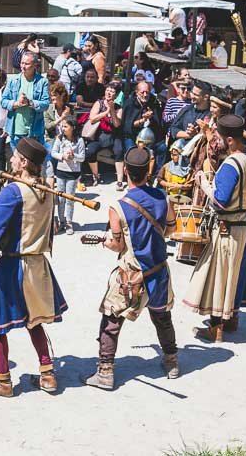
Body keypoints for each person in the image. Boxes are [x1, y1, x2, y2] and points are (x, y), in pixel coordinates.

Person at [0, 138, 68, 397]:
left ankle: (2, 380)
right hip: (38, 264)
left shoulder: (15, 191)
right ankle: (47, 374)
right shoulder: (49, 188)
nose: (12, 160)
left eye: (15, 157)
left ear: (24, 162)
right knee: (33, 320)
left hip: (14, 265)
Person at [84, 146, 180, 389]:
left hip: (131, 275)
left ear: (125, 170)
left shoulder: (118, 206)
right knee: (162, 317)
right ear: (148, 170)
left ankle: (105, 372)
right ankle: (171, 362)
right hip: (158, 272)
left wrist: (107, 242)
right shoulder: (164, 198)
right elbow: (170, 229)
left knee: (111, 319)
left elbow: (117, 246)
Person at [182, 115, 246, 341]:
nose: (219, 142)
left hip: (227, 228)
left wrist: (203, 182)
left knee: (220, 276)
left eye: (222, 139)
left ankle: (216, 328)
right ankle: (232, 319)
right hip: (244, 226)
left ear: (230, 141)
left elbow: (220, 200)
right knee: (237, 275)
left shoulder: (230, 164)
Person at [0, 52, 50, 150]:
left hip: (35, 132)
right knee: (18, 163)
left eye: (26, 64)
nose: (23, 66)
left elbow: (46, 104)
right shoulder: (13, 81)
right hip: (15, 132)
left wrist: (30, 103)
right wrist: (16, 104)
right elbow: (3, 101)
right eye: (22, 63)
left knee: (32, 164)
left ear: (35, 65)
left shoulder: (42, 81)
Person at [85, 82, 124, 188]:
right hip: (99, 135)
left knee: (119, 151)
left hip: (113, 135)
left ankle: (119, 181)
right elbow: (92, 118)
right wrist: (105, 112)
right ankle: (96, 175)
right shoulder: (99, 103)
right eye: (108, 90)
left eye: (112, 91)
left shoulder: (119, 108)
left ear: (116, 95)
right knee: (90, 151)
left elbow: (116, 124)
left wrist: (111, 109)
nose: (109, 93)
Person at [51, 116, 84, 234]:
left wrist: (73, 156)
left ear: (73, 127)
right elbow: (53, 152)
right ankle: (61, 221)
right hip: (60, 172)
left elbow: (82, 157)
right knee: (60, 199)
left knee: (69, 198)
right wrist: (62, 156)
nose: (62, 128)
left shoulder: (79, 140)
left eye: (65, 126)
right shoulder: (59, 139)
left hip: (73, 174)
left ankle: (69, 222)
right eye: (62, 126)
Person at [123, 81, 165, 171]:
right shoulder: (130, 104)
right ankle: (133, 174)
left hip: (151, 135)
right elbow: (128, 126)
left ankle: (157, 175)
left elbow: (158, 124)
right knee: (131, 151)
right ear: (137, 92)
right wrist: (143, 119)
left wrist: (151, 118)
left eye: (147, 92)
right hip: (133, 135)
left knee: (162, 148)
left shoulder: (154, 102)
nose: (145, 95)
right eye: (142, 92)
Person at [169, 81, 212, 146]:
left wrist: (196, 134)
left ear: (205, 97)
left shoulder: (211, 114)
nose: (192, 96)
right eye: (192, 93)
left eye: (196, 95)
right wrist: (188, 135)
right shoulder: (186, 110)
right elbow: (174, 129)